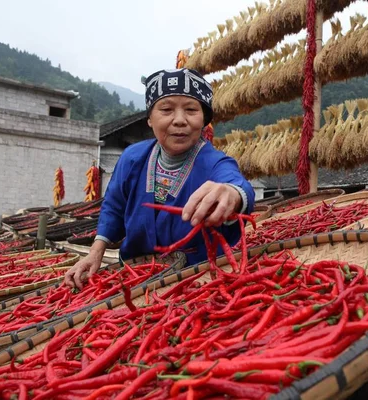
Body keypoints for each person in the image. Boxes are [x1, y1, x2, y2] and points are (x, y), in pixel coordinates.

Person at [65, 68, 254, 289]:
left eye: (192, 110)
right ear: (149, 119)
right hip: (135, 278)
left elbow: (238, 185)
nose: (180, 120)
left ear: (204, 119)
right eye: (166, 109)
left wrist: (232, 193)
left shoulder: (215, 162)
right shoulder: (132, 158)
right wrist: (96, 251)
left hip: (199, 280)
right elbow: (114, 207)